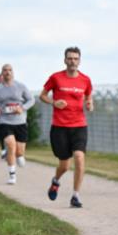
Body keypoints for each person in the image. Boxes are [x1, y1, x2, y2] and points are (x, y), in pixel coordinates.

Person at [40, 47, 93, 208]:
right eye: (70, 58)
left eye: (76, 59)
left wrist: (90, 103)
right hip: (60, 127)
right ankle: (56, 181)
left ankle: (76, 195)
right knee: (64, 165)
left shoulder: (85, 80)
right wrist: (54, 102)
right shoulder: (56, 78)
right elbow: (42, 95)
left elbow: (88, 95)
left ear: (80, 61)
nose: (73, 61)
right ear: (65, 60)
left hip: (79, 125)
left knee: (79, 157)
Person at [0, 63, 35, 185]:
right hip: (5, 121)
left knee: (19, 152)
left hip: (20, 122)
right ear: (2, 73)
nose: (7, 72)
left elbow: (31, 100)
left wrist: (23, 108)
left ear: (13, 72)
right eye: (5, 70)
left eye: (10, 70)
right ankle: (12, 175)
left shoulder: (20, 86)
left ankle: (20, 156)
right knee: (10, 145)